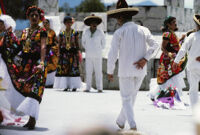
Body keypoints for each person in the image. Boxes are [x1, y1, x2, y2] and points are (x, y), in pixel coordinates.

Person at [107, 0, 159, 130]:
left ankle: (133, 125)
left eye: (117, 18)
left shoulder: (119, 32)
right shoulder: (143, 29)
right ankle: (120, 120)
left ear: (120, 17)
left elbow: (112, 53)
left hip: (125, 70)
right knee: (131, 97)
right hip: (140, 69)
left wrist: (110, 70)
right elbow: (155, 45)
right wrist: (145, 59)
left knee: (126, 99)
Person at [0, 6, 47, 130]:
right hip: (25, 64)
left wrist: (42, 62)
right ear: (28, 17)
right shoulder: (25, 31)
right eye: (32, 15)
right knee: (24, 88)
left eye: (36, 15)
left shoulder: (42, 31)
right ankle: (29, 118)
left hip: (37, 63)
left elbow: (43, 47)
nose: (34, 17)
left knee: (35, 90)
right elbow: (19, 46)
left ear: (39, 17)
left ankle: (33, 119)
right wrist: (8, 53)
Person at [156, 16, 187, 99]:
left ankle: (172, 95)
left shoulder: (172, 33)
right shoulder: (167, 34)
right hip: (168, 60)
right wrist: (169, 54)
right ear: (168, 24)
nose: (175, 24)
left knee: (174, 77)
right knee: (169, 77)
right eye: (173, 22)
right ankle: (168, 95)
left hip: (174, 59)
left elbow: (174, 45)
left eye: (175, 22)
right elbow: (163, 47)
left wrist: (181, 39)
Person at [173, 14, 200, 107]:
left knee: (193, 89)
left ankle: (195, 110)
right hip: (194, 65)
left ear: (197, 25)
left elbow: (183, 50)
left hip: (193, 66)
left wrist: (176, 61)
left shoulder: (192, 36)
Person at [53, 16, 82, 92]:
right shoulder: (62, 33)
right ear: (65, 23)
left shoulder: (75, 33)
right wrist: (59, 52)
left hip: (73, 53)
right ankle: (65, 85)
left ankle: (74, 86)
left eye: (70, 22)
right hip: (64, 53)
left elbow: (77, 43)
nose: (69, 24)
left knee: (73, 69)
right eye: (67, 22)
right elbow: (59, 44)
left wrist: (78, 52)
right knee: (65, 69)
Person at [82, 14, 105, 92]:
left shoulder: (100, 32)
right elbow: (83, 43)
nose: (94, 24)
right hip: (88, 55)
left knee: (98, 72)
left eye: (95, 23)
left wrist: (97, 49)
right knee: (88, 72)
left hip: (98, 55)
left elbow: (103, 44)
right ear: (90, 24)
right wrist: (88, 49)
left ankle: (100, 88)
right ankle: (88, 88)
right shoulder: (85, 32)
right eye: (92, 23)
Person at [43, 19, 59, 87]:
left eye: (47, 23)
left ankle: (51, 83)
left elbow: (56, 42)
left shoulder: (52, 32)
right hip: (43, 50)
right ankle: (44, 82)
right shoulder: (41, 31)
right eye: (44, 23)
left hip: (51, 51)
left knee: (52, 66)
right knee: (43, 66)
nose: (45, 24)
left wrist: (53, 49)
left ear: (49, 24)